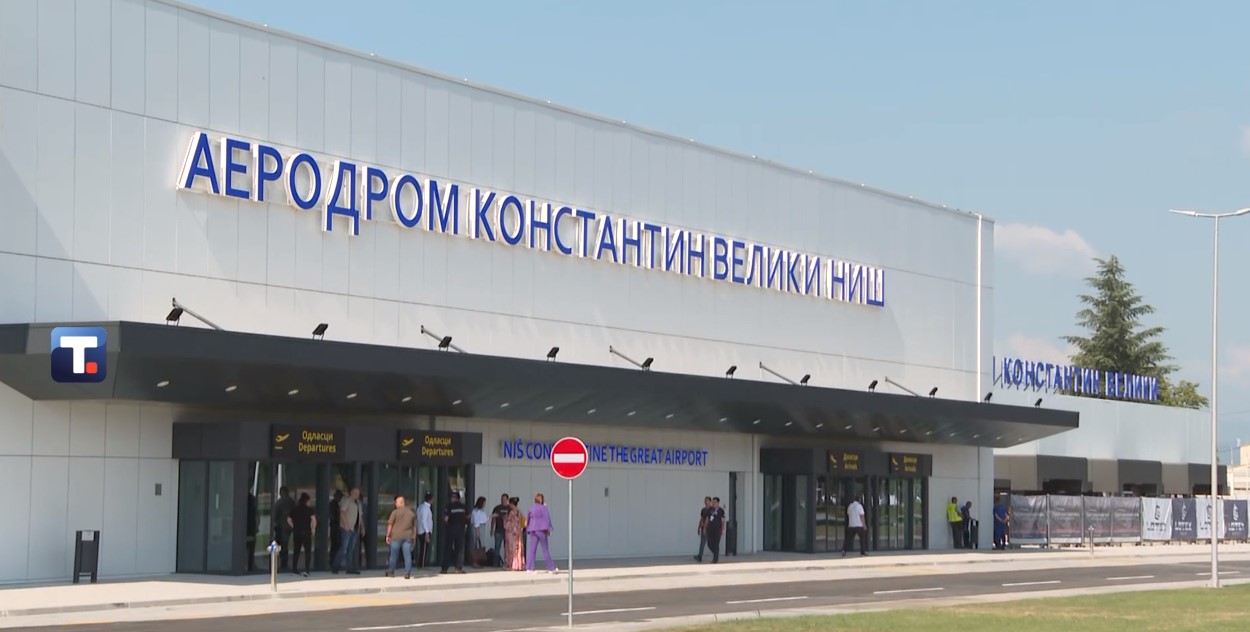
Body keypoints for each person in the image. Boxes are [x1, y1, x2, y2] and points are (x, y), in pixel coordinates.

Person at [385, 495, 417, 579]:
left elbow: (390, 524)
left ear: (401, 503)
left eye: (397, 502)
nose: (395, 504)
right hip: (407, 536)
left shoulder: (395, 512)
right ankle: (407, 572)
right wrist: (414, 536)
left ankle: (391, 571)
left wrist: (388, 535)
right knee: (407, 555)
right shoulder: (411, 513)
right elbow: (414, 526)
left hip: (396, 536)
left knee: (393, 555)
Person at [333, 487, 363, 574]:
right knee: (344, 548)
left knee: (351, 549)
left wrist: (362, 527)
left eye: (358, 493)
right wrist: (346, 524)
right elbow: (342, 512)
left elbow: (360, 516)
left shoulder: (358, 503)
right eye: (355, 493)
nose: (357, 495)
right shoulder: (347, 501)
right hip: (347, 528)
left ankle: (349, 568)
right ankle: (335, 566)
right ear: (351, 492)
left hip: (355, 528)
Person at [526, 493, 557, 573]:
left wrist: (528, 528)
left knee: (532, 550)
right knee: (545, 549)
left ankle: (529, 567)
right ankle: (551, 568)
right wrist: (549, 529)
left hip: (533, 530)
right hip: (541, 530)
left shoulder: (531, 508)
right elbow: (546, 519)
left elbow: (528, 519)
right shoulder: (543, 508)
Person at [288, 492, 316, 576]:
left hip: (297, 532)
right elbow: (313, 520)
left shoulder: (295, 509)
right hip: (306, 532)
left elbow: (288, 520)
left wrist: (294, 526)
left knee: (296, 551)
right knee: (307, 551)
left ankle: (294, 569)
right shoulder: (309, 510)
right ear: (306, 501)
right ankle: (307, 569)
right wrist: (313, 529)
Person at [441, 491, 468, 574]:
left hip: (451, 528)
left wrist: (445, 524)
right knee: (459, 549)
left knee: (448, 548)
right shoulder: (463, 506)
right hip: (460, 529)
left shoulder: (449, 506)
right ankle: (458, 568)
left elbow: (446, 519)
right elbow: (468, 516)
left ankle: (444, 568)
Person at [273, 486, 295, 571]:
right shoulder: (292, 502)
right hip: (288, 527)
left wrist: (275, 523)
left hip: (280, 527)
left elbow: (275, 515)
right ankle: (284, 563)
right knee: (285, 545)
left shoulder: (279, 503)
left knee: (280, 545)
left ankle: (280, 563)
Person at [491, 493, 511, 568]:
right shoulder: (497, 508)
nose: (503, 500)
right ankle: (495, 564)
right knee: (497, 548)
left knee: (507, 548)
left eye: (504, 499)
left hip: (507, 531)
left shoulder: (510, 508)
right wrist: (492, 529)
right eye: (502, 499)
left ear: (507, 499)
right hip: (498, 530)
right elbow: (493, 519)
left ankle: (507, 563)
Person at [504, 496, 525, 571]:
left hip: (512, 532)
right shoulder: (519, 511)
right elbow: (523, 520)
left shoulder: (511, 513)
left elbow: (507, 524)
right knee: (518, 548)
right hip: (518, 531)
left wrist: (505, 519)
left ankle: (512, 565)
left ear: (511, 504)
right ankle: (519, 565)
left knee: (511, 548)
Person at [704, 497, 726, 564]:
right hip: (710, 529)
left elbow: (723, 520)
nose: (713, 503)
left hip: (718, 530)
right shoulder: (710, 510)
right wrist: (705, 527)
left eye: (715, 502)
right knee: (709, 543)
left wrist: (723, 529)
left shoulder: (721, 510)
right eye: (713, 502)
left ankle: (715, 559)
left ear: (718, 503)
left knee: (716, 544)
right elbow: (707, 519)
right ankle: (716, 553)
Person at [416, 493, 434, 570]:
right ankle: (422, 563)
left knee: (423, 548)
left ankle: (421, 562)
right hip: (424, 531)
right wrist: (427, 532)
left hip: (420, 530)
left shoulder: (420, 507)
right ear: (430, 500)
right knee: (424, 548)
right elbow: (424, 520)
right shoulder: (426, 508)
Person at [471, 497, 490, 568]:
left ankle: (480, 562)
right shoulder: (476, 511)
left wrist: (490, 517)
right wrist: (478, 532)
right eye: (484, 502)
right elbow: (476, 522)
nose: (485, 504)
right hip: (478, 528)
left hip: (482, 527)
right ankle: (475, 561)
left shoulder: (482, 511)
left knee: (481, 545)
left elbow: (484, 519)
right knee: (477, 545)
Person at [694, 497, 712, 563]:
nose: (706, 502)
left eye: (707, 500)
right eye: (705, 501)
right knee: (702, 543)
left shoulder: (712, 509)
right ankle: (700, 556)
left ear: (710, 501)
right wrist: (699, 527)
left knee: (711, 543)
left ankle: (715, 555)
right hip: (703, 528)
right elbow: (702, 518)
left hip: (710, 528)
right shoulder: (703, 510)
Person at [328, 490, 343, 564]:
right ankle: (334, 560)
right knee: (336, 544)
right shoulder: (333, 504)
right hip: (335, 526)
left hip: (336, 526)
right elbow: (333, 516)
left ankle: (334, 560)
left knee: (336, 544)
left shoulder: (335, 504)